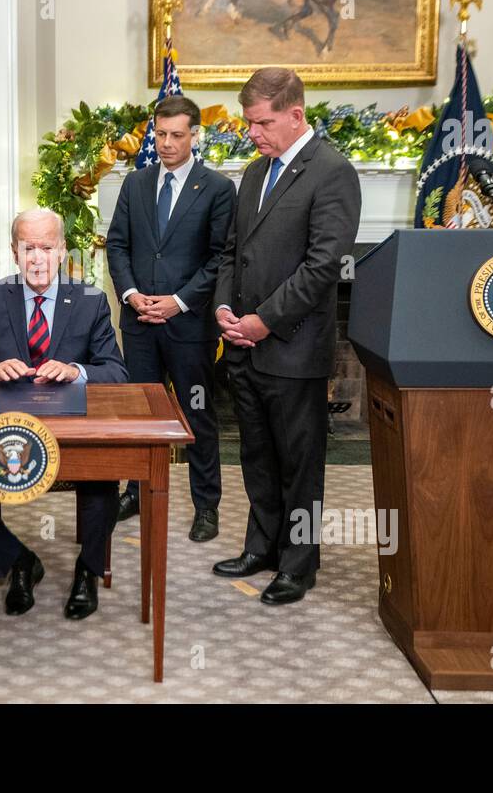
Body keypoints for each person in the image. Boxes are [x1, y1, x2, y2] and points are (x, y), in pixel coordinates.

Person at [0, 209, 128, 620]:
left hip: (71, 431)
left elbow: (117, 371)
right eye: (28, 249)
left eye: (46, 248)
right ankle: (19, 561)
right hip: (7, 433)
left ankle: (87, 572)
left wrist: (77, 371)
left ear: (62, 251)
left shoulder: (91, 301)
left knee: (104, 483)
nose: (37, 259)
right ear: (14, 252)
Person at [212, 68, 360, 604]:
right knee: (257, 453)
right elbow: (232, 252)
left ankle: (298, 564)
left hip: (292, 347)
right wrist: (225, 308)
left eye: (262, 122)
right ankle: (263, 546)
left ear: (295, 114)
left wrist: (265, 321)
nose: (252, 132)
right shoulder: (254, 173)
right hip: (243, 345)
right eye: (249, 122)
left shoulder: (333, 171)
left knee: (299, 464)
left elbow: (323, 266)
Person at [106, 94, 235, 542]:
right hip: (139, 322)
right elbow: (118, 246)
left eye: (176, 135)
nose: (165, 144)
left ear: (195, 136)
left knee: (197, 414)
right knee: (138, 414)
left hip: (188, 325)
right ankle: (134, 491)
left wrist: (178, 301)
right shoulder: (135, 183)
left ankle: (206, 506)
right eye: (159, 134)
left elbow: (220, 258)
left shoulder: (218, 188)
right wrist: (131, 293)